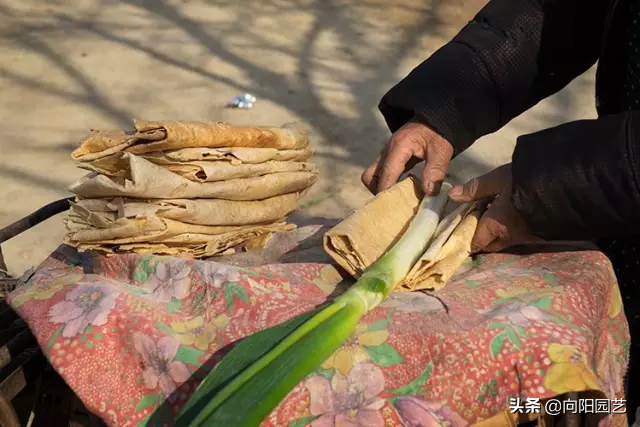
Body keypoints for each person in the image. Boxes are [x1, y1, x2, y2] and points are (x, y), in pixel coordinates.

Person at [361, 0, 640, 421]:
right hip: (624, 245)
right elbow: (555, 12)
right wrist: (442, 109)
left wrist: (557, 186)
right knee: (601, 398)